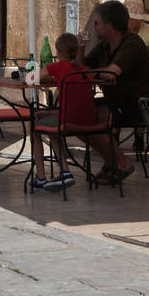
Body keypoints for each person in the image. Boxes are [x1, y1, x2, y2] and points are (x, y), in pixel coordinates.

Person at [77, 0, 149, 184]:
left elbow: (110, 74)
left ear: (109, 26)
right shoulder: (105, 45)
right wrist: (81, 47)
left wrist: (88, 74)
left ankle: (120, 163)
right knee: (80, 120)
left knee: (89, 121)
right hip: (117, 100)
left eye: (97, 23)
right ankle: (113, 163)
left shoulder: (132, 43)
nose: (94, 27)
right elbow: (82, 67)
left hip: (138, 104)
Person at [31, 33, 98, 191]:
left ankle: (42, 177)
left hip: (67, 120)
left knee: (35, 127)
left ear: (58, 52)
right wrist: (50, 113)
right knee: (51, 123)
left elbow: (31, 79)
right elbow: (74, 103)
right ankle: (65, 171)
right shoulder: (84, 70)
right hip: (89, 119)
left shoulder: (58, 66)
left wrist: (27, 74)